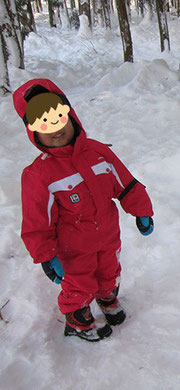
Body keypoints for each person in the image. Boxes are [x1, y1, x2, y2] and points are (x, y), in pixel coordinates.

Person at [13, 79, 154, 342]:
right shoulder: (39, 174)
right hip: (73, 248)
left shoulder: (97, 152)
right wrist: (45, 255)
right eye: (45, 125)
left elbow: (124, 182)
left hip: (107, 234)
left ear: (70, 115)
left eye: (59, 118)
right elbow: (36, 221)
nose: (56, 129)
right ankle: (77, 319)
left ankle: (106, 298)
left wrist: (141, 209)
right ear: (32, 131)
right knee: (78, 283)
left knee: (109, 270)